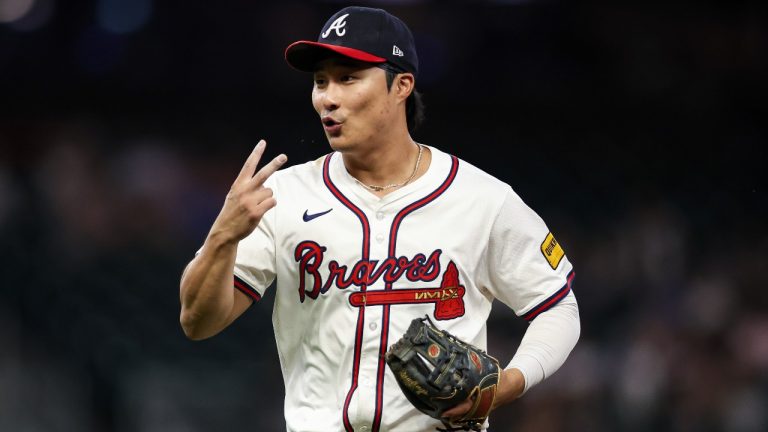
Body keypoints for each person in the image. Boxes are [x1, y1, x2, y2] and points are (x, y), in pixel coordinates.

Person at [180, 6, 580, 432]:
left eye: (348, 77)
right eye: (320, 81)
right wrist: (222, 236)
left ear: (402, 85)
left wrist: (509, 384)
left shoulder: (481, 199)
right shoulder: (283, 196)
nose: (327, 97)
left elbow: (558, 307)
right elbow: (198, 322)